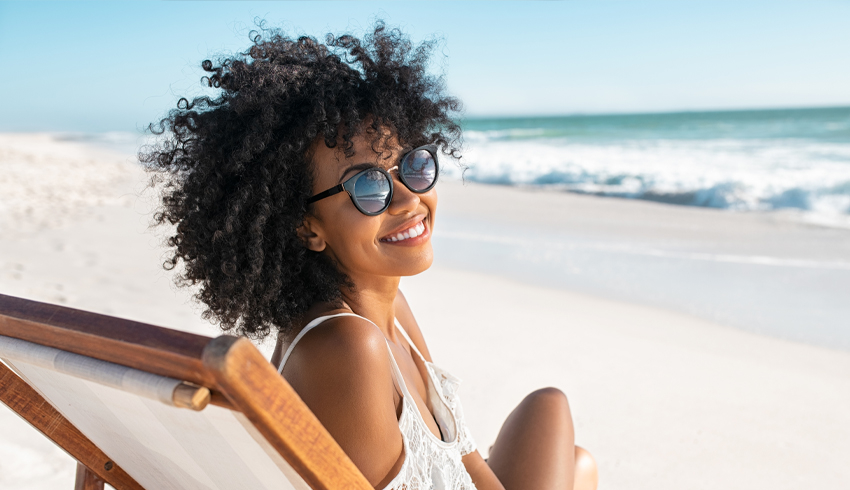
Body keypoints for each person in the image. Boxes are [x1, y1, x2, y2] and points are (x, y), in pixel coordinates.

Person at [142, 22, 598, 490]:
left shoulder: (389, 307)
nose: (407, 200)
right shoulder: (347, 348)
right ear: (307, 226)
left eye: (412, 166)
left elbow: (464, 457)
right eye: (367, 184)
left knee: (557, 422)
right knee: (571, 452)